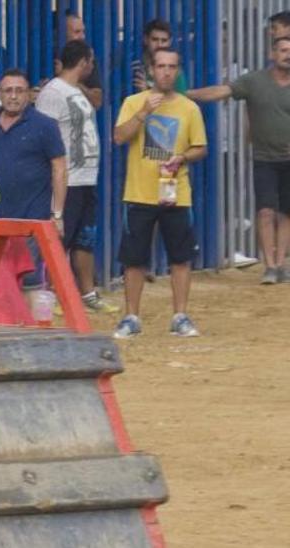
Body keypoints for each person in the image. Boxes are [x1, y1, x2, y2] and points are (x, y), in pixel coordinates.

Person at [111, 48, 208, 339]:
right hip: (139, 193)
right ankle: (131, 317)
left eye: (172, 67)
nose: (166, 72)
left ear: (177, 71)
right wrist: (143, 114)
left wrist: (182, 158)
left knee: (180, 257)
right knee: (134, 258)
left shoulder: (189, 108)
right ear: (151, 70)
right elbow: (118, 137)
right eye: (161, 66)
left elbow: (201, 147)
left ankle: (180, 315)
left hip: (176, 193)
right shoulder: (133, 102)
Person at [188, 36, 290, 284]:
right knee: (265, 212)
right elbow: (221, 91)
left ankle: (280, 264)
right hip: (264, 158)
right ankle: (270, 266)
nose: (288, 54)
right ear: (272, 54)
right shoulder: (254, 81)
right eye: (284, 50)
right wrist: (185, 94)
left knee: (286, 214)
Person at [37, 41, 119, 312]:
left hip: (86, 176)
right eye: (91, 62)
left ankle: (87, 294)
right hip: (67, 178)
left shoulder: (75, 90)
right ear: (84, 62)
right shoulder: (52, 92)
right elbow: (45, 134)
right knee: (59, 239)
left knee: (85, 238)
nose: (92, 67)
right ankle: (53, 292)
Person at [0, 69, 66, 298]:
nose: (13, 96)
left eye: (19, 91)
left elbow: (60, 168)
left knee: (29, 283)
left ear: (29, 95)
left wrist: (58, 214)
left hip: (33, 222)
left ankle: (31, 332)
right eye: (8, 91)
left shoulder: (45, 126)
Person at [130, 20, 189, 94]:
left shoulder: (175, 70)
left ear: (170, 42)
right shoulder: (135, 65)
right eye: (155, 39)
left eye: (164, 40)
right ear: (145, 39)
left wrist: (147, 92)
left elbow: (179, 102)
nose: (159, 44)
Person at [59, 12, 104, 108]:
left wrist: (67, 78)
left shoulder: (87, 57)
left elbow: (97, 101)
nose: (82, 36)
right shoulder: (47, 58)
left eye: (83, 31)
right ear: (62, 33)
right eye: (77, 32)